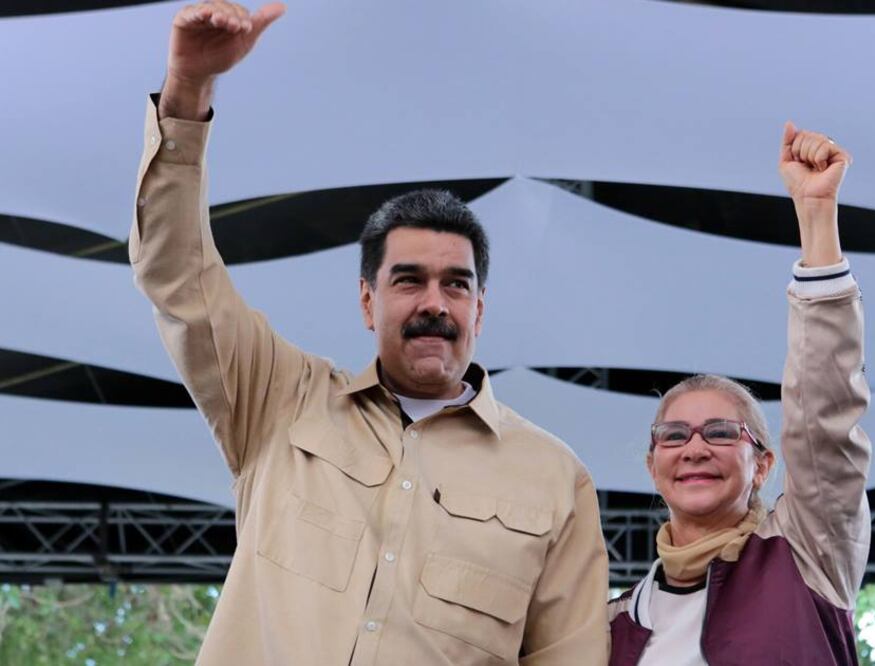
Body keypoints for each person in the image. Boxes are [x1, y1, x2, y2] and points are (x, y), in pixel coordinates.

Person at [130, 2, 608, 664]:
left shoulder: (556, 477)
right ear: (366, 300)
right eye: (408, 280)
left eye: (456, 285)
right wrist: (187, 93)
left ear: (480, 309)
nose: (434, 304)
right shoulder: (279, 400)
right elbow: (177, 276)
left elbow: (569, 656)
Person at [608, 124, 871, 665]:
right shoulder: (611, 626)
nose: (695, 448)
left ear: (762, 465)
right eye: (674, 435)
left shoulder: (806, 557)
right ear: (652, 464)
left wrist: (816, 215)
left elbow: (824, 414)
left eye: (723, 433)